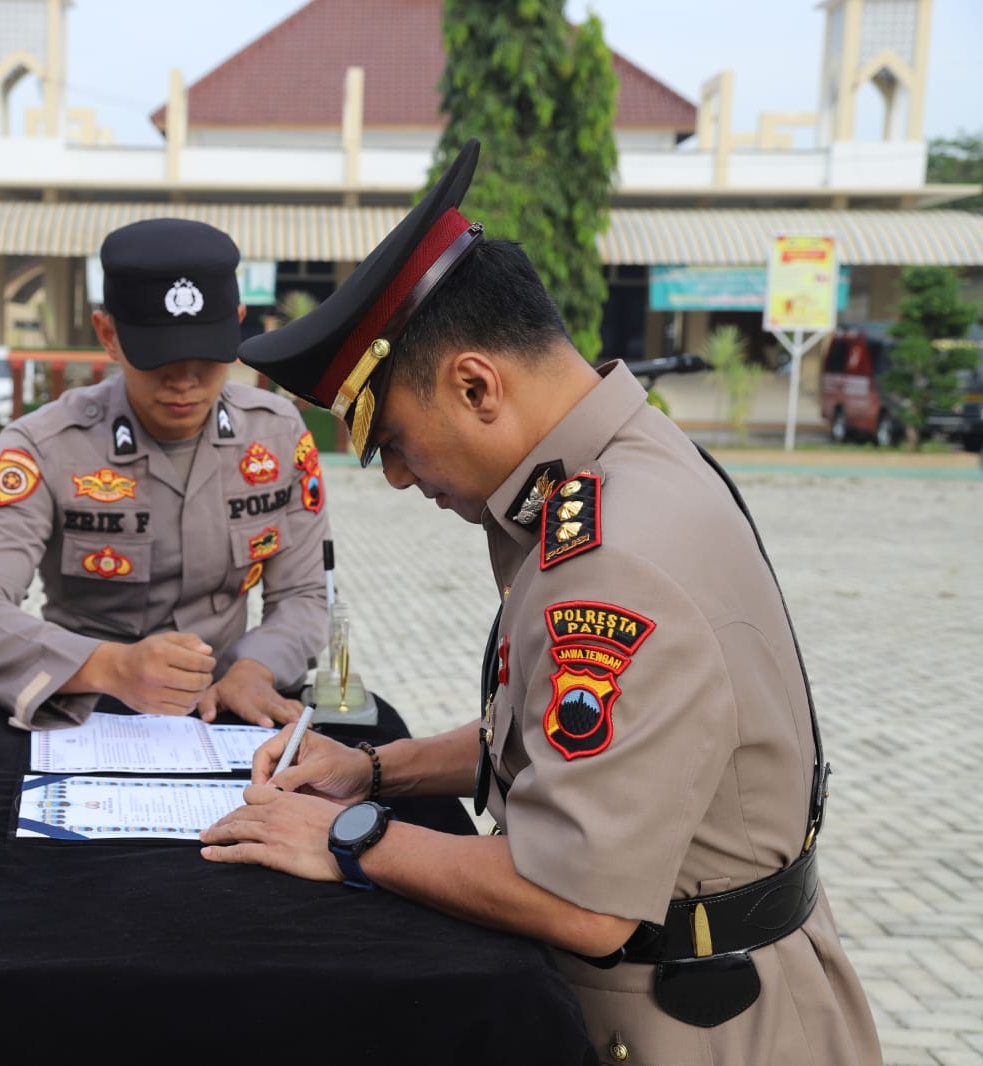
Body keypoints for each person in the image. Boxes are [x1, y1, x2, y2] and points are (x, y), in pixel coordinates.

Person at [199, 140, 882, 1064]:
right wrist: (377, 772)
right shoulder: (620, 467)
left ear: (476, 385)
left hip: (691, 1026)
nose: (399, 479)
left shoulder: (612, 559)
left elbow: (580, 899)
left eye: (393, 440)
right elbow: (563, 743)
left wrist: (348, 835)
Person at [0, 218, 330, 730]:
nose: (185, 382)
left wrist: (256, 668)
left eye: (207, 358)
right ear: (108, 335)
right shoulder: (46, 446)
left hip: (230, 702)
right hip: (84, 704)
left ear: (235, 326)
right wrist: (110, 666)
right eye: (159, 358)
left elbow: (304, 594)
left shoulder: (276, 436)